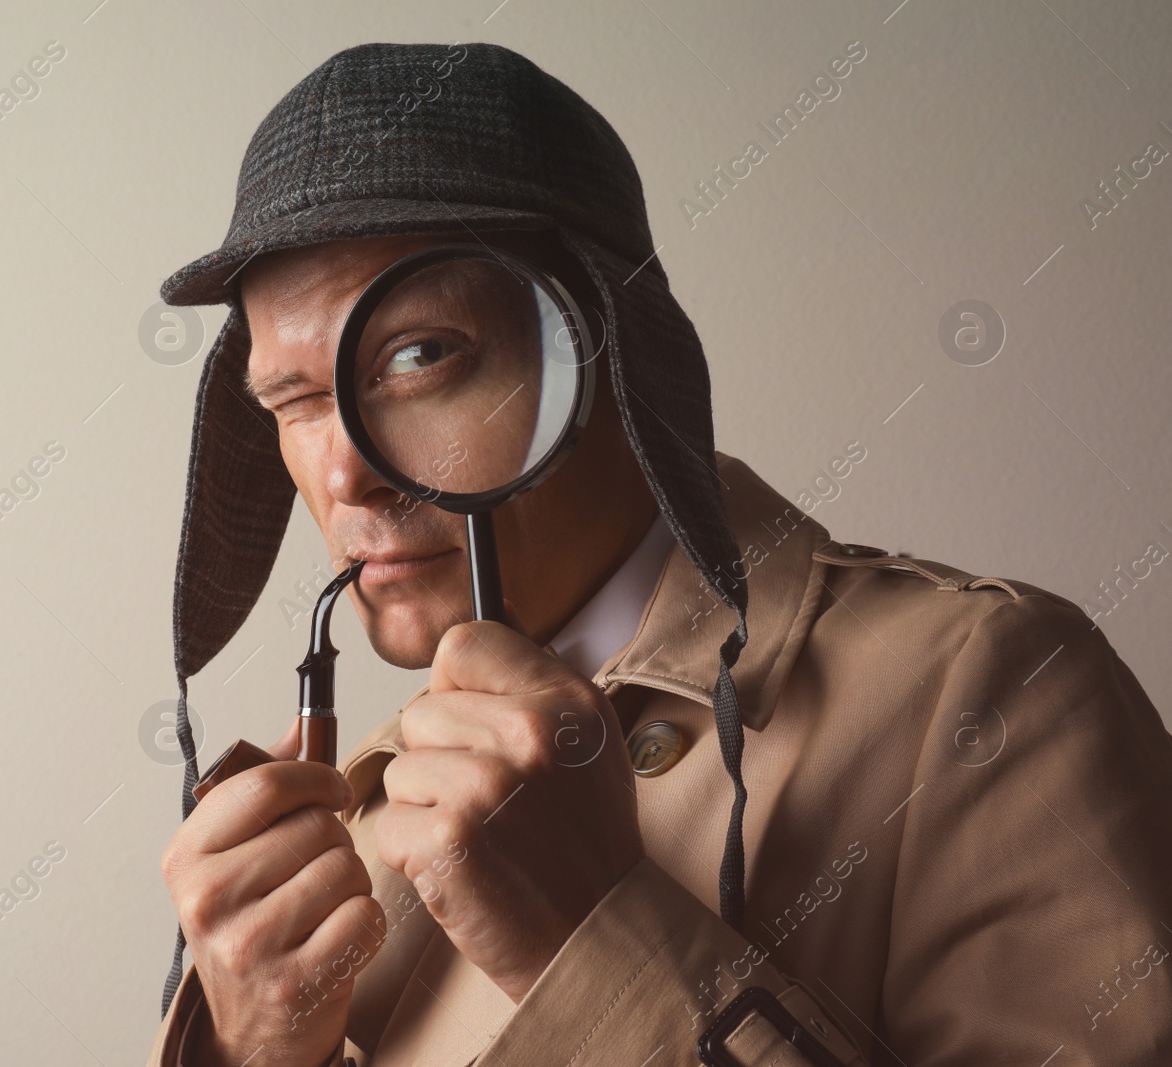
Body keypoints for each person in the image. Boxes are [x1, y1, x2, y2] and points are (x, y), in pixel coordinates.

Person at [146, 42, 1172, 1067]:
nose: (344, 475)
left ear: (606, 351)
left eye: (417, 358)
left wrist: (595, 943)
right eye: (293, 401)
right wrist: (254, 1046)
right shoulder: (354, 820)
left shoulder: (982, 690)